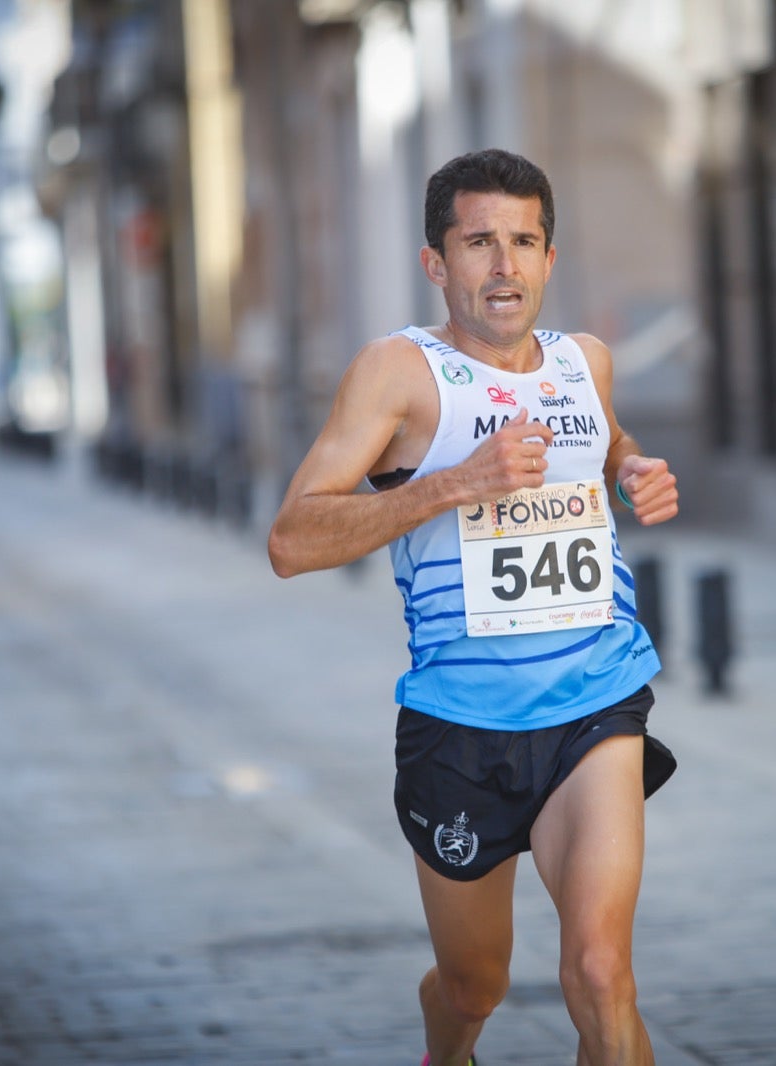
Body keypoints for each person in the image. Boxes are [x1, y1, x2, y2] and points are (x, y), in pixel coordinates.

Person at [268, 148, 679, 1066]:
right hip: (461, 725)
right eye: (480, 242)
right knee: (473, 984)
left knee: (601, 973)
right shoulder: (399, 374)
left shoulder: (587, 363)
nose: (504, 266)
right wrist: (452, 484)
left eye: (524, 242)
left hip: (595, 702)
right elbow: (292, 541)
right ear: (436, 263)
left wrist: (635, 471)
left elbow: (607, 445)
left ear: (549, 257)